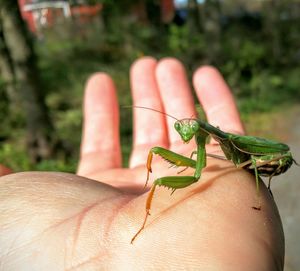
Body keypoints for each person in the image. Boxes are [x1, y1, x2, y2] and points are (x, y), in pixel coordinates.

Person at [0, 57, 284, 270]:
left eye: (188, 128)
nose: (182, 134)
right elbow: (198, 161)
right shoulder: (206, 143)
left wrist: (260, 195)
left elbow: (209, 169)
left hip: (273, 154)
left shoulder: (222, 141)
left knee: (241, 171)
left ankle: (148, 217)